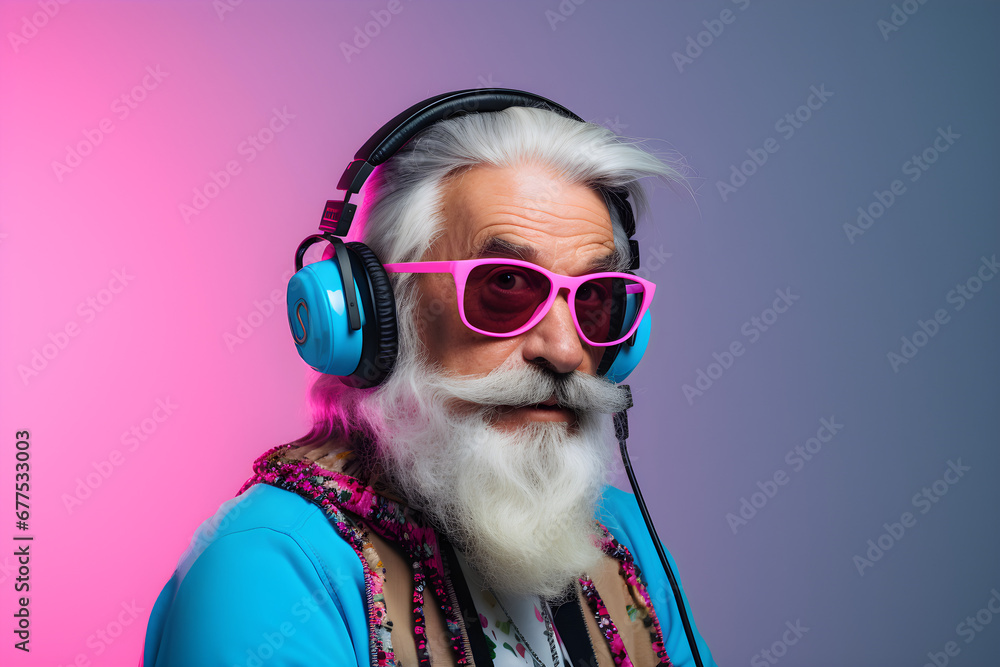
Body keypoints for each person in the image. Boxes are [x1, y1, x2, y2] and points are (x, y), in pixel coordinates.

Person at [141, 89, 717, 667]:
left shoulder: (617, 535)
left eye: (593, 298)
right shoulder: (268, 566)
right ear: (376, 311)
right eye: (507, 286)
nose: (564, 350)